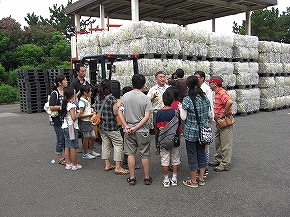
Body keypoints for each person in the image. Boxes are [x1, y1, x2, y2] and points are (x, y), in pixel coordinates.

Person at [118, 74, 153, 185]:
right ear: (144, 84)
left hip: (128, 130)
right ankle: (147, 177)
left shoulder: (125, 96)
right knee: (145, 154)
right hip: (142, 131)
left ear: (132, 83)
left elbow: (120, 112)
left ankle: (132, 178)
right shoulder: (146, 98)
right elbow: (146, 117)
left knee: (130, 154)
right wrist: (136, 127)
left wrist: (127, 126)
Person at [179, 76, 210, 187]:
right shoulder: (204, 97)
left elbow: (183, 117)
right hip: (203, 131)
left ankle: (193, 181)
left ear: (188, 86)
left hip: (191, 131)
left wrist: (180, 108)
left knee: (192, 155)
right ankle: (201, 178)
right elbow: (209, 114)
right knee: (202, 153)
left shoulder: (188, 99)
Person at [94, 79, 129, 174]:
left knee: (105, 143)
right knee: (118, 144)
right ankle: (118, 167)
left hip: (101, 126)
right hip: (111, 126)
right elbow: (115, 112)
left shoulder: (97, 97)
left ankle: (107, 164)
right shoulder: (111, 98)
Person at [206, 76, 234, 172]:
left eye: (211, 83)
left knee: (226, 143)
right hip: (219, 121)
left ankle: (225, 163)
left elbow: (229, 102)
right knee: (218, 140)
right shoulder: (216, 93)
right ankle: (218, 159)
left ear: (215, 84)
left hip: (224, 120)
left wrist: (224, 113)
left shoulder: (221, 92)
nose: (209, 84)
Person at [156, 90, 181, 187]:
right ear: (172, 101)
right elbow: (178, 125)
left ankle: (166, 179)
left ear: (163, 99)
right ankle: (174, 178)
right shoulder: (175, 112)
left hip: (164, 140)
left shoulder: (159, 113)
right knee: (175, 159)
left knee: (165, 160)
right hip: (174, 139)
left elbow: (157, 127)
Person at [194, 71, 214, 177]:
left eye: (197, 77)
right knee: (199, 144)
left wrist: (210, 116)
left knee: (204, 144)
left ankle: (204, 167)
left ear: (202, 78)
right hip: (198, 120)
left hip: (204, 120)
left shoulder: (206, 89)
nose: (196, 79)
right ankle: (200, 167)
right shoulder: (196, 88)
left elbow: (210, 103)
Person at [147, 71, 169, 154]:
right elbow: (146, 100)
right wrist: (152, 97)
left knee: (168, 129)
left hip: (167, 111)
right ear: (156, 79)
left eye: (164, 77)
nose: (163, 79)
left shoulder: (169, 88)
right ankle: (158, 146)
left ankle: (167, 145)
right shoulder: (152, 89)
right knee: (158, 131)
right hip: (157, 112)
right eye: (161, 77)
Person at [60, 86, 82, 171]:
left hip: (65, 126)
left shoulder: (63, 104)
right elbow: (73, 118)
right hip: (71, 127)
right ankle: (74, 164)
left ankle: (68, 163)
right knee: (73, 146)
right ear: (72, 96)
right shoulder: (71, 105)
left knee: (67, 145)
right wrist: (78, 114)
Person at [49, 75, 68, 165]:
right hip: (57, 119)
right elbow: (51, 107)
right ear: (59, 83)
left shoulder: (66, 92)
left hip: (65, 119)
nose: (66, 81)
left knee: (65, 138)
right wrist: (62, 107)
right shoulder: (54, 93)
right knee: (60, 138)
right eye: (64, 80)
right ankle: (60, 157)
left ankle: (65, 156)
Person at [78, 85, 100, 159]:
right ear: (85, 92)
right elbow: (80, 115)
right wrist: (91, 114)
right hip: (84, 122)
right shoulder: (81, 102)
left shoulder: (86, 100)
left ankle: (90, 151)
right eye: (89, 91)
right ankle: (85, 153)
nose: (91, 92)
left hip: (88, 121)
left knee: (93, 137)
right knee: (86, 138)